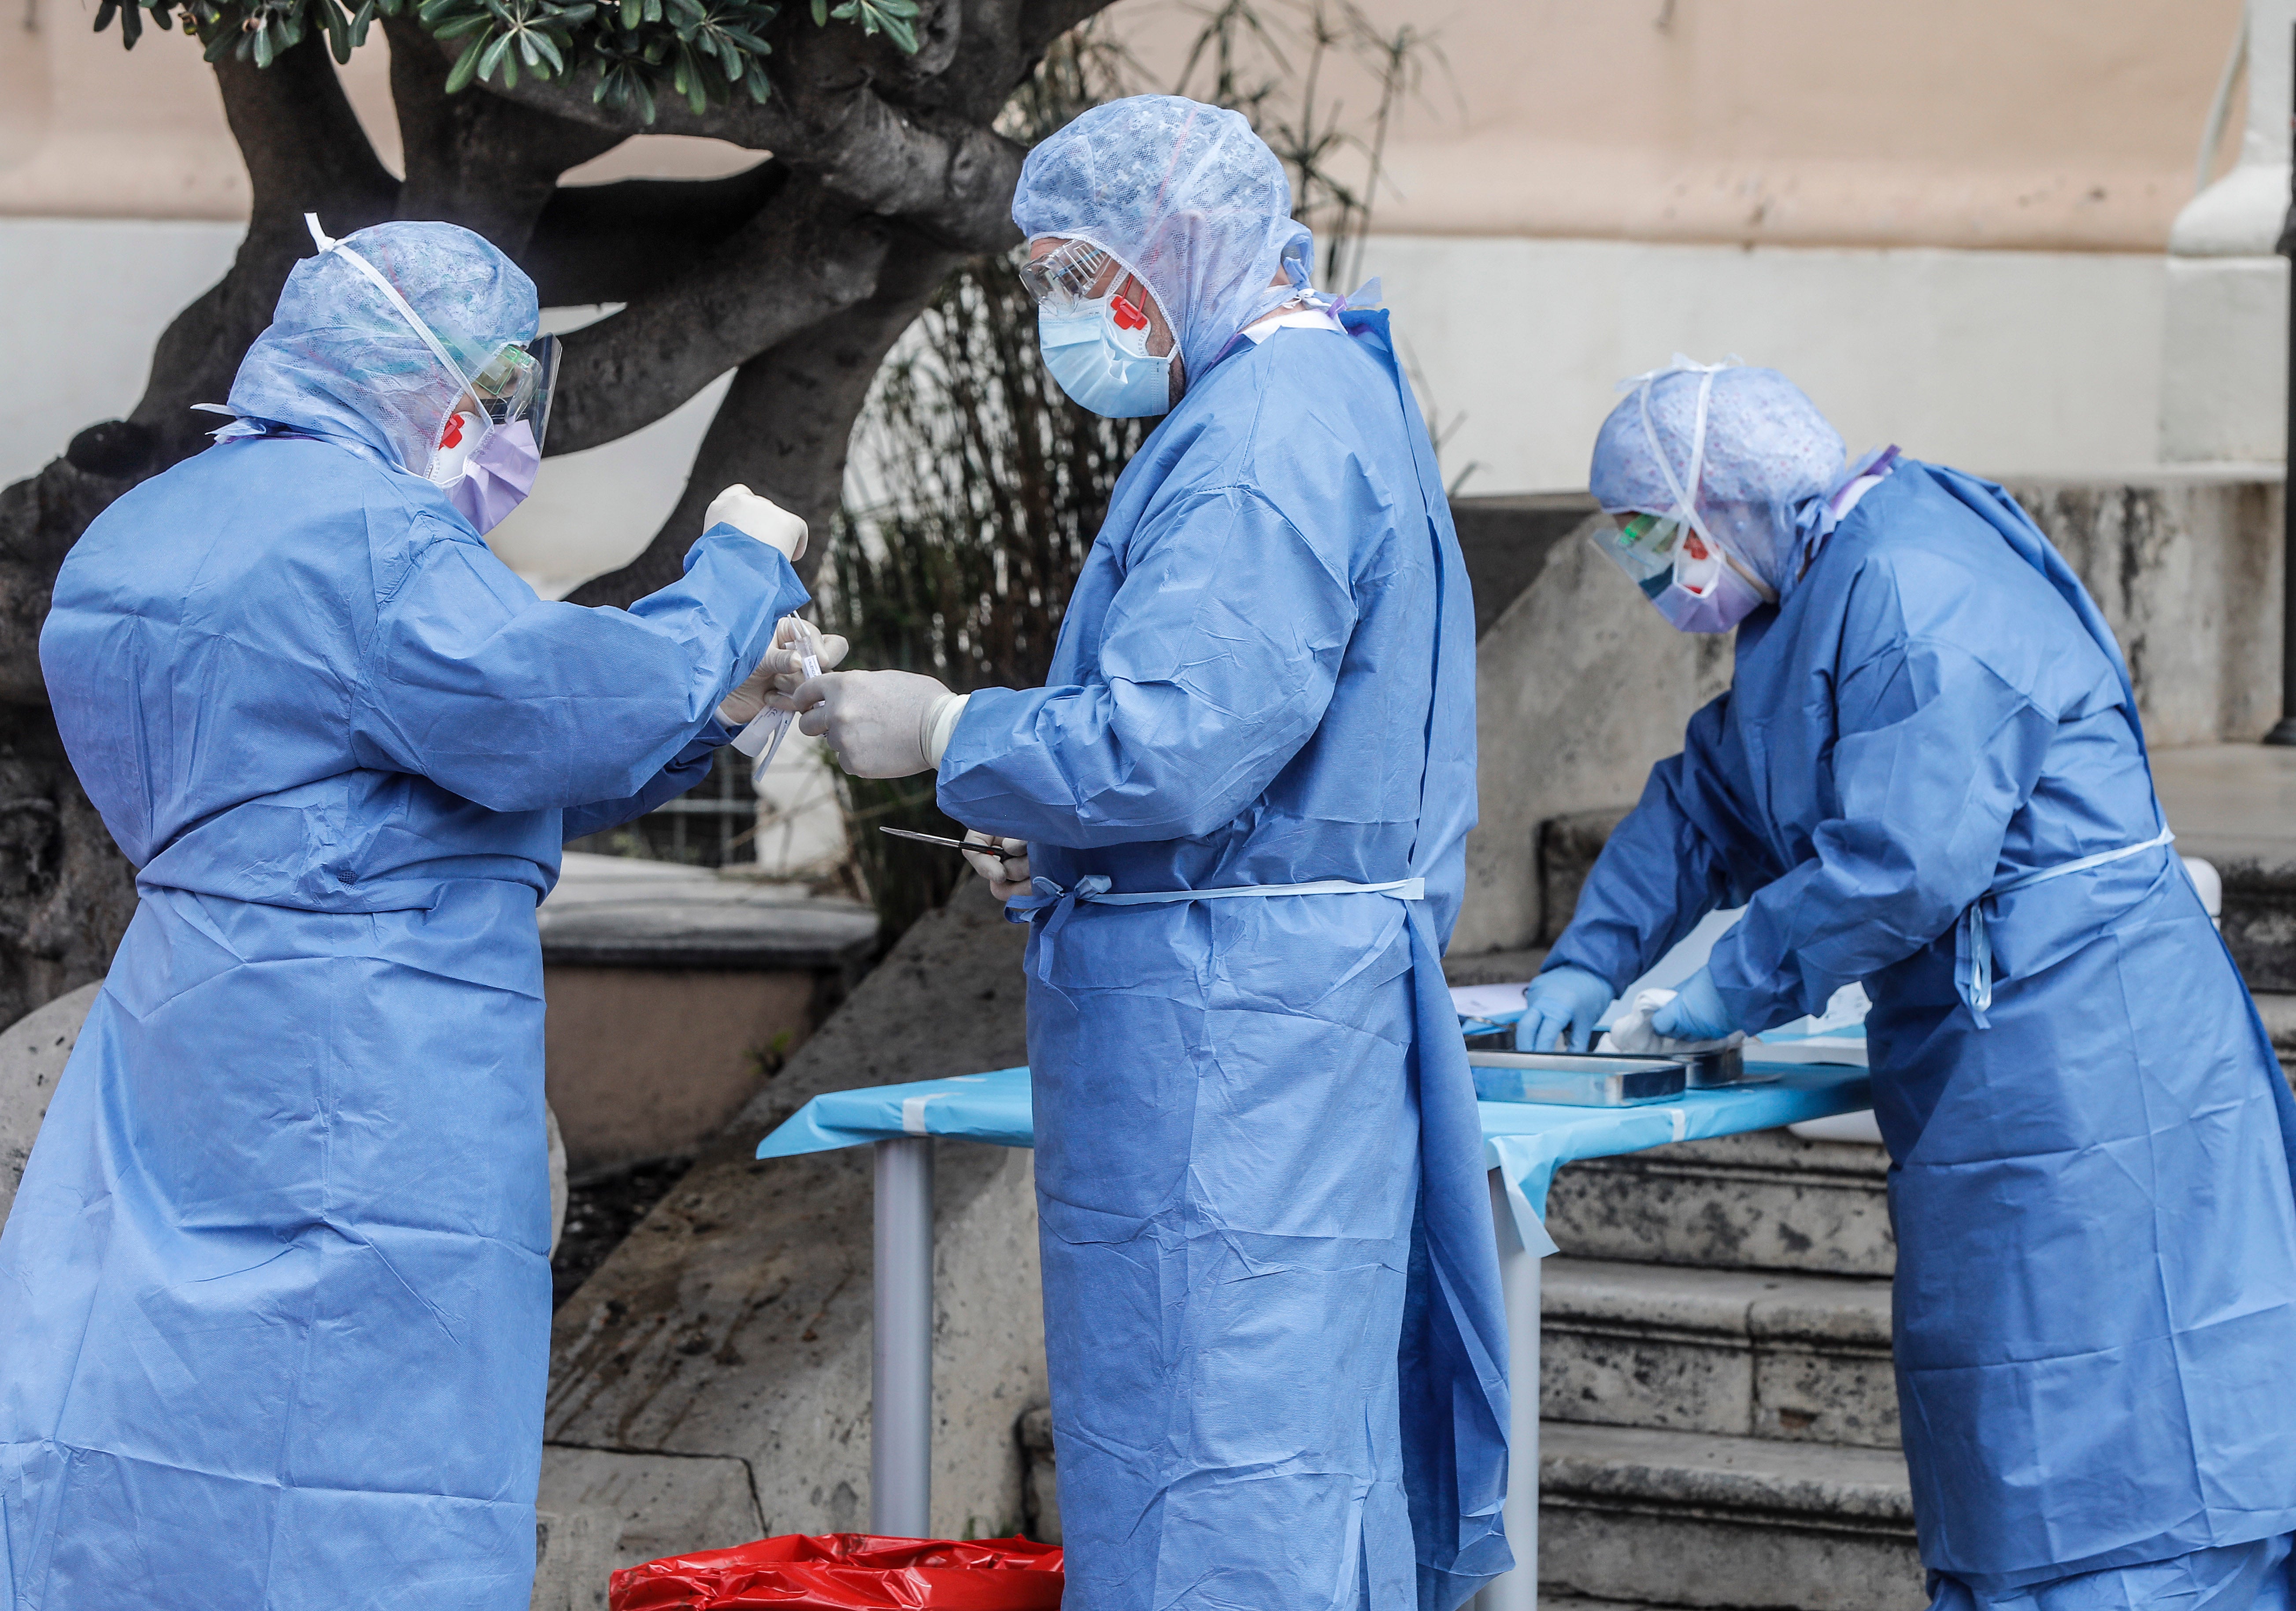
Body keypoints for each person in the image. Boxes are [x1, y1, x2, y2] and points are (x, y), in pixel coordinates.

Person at [0, 217, 840, 1610]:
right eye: (496, 389)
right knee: (367, 1456)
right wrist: (735, 585)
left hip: (183, 1031)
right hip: (372, 1057)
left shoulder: (142, 531)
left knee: (151, 1405)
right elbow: (557, 707)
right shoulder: (369, 545)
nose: (502, 431)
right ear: (434, 379)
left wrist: (714, 719)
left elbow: (419, 780)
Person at [796, 95, 1510, 1611]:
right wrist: (1064, 853)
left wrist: (946, 728)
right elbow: (1268, 763)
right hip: (1265, 996)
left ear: (1176, 245)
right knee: (1290, 1459)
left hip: (1231, 1048)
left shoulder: (1257, 440)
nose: (1065, 317)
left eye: (1073, 273)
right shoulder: (1316, 394)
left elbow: (1179, 738)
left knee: (1220, 1476)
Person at [1522, 359, 2296, 1610]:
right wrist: (1588, 953)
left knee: (2137, 1459)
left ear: (1720, 507)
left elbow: (1900, 863)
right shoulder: (1808, 598)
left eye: (1654, 542)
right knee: (2019, 1436)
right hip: (1999, 1069)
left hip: (2093, 1063)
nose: (1655, 577)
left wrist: (1735, 982)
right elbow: (1711, 799)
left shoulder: (1915, 584)